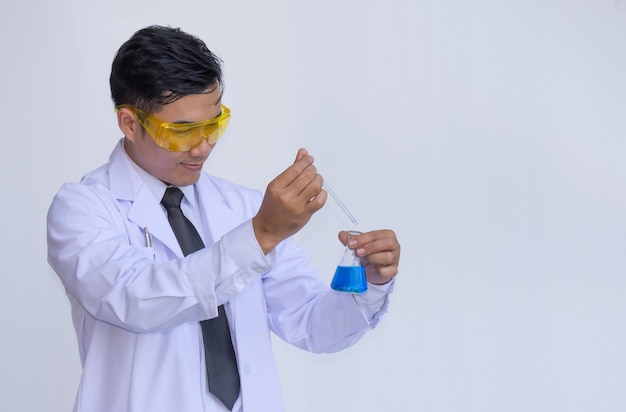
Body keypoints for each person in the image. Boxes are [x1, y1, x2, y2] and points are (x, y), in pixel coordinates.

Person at [47, 25, 401, 412]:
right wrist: (262, 234)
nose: (203, 147)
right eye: (181, 131)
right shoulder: (82, 208)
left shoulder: (243, 207)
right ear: (130, 123)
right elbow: (135, 298)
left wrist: (369, 285)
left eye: (214, 124)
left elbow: (313, 325)